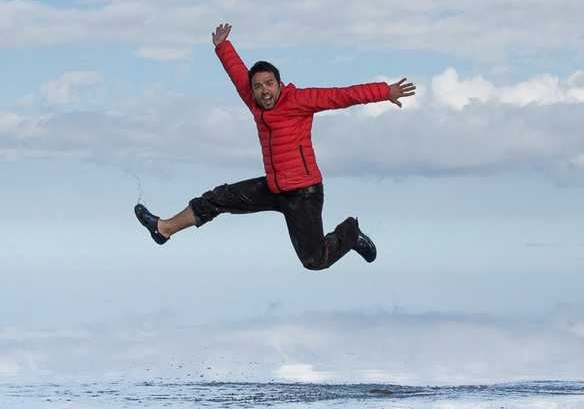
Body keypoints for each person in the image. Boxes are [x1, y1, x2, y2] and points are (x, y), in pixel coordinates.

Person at [134, 23, 417, 270]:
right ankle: (163, 229)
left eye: (269, 84)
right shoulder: (255, 103)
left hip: (303, 193)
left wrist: (385, 92)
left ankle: (351, 234)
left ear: (279, 84)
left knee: (314, 261)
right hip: (272, 186)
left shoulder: (299, 100)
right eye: (258, 86)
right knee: (216, 198)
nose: (264, 90)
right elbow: (237, 74)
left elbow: (342, 96)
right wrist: (222, 47)